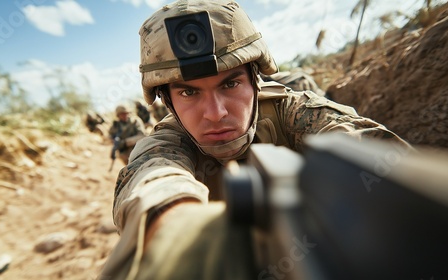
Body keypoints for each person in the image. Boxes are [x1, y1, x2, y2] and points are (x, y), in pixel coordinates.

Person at [99, 1, 411, 279]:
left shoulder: (294, 111)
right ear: (168, 101)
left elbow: (370, 149)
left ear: (255, 81)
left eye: (231, 83)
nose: (215, 113)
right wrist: (177, 230)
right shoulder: (168, 140)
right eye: (189, 92)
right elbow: (150, 177)